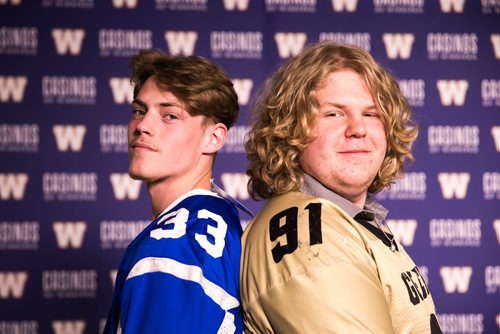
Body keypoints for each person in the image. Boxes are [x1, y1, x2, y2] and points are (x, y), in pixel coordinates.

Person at [240, 42, 442, 333]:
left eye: (371, 114)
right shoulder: (310, 233)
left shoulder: (345, 218)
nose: (358, 128)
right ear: (291, 128)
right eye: (334, 114)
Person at [104, 49, 244, 333]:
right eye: (139, 111)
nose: (142, 126)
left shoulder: (173, 244)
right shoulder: (218, 215)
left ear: (213, 137)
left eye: (169, 116)